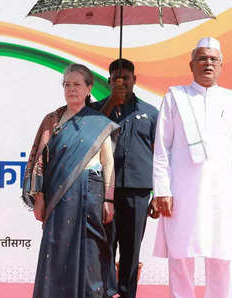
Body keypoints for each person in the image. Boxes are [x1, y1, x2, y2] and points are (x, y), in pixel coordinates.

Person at [152, 37, 232, 298]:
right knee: (181, 256)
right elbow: (162, 148)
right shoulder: (175, 97)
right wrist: (162, 190)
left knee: (221, 256)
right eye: (202, 58)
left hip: (222, 193)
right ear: (191, 64)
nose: (207, 63)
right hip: (182, 193)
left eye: (213, 59)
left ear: (221, 65)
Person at [23, 63, 119, 297]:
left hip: (90, 194)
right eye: (67, 84)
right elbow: (39, 162)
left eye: (77, 84)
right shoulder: (52, 121)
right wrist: (39, 197)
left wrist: (109, 198)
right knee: (56, 249)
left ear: (89, 89)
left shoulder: (99, 123)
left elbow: (108, 163)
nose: (71, 89)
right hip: (57, 197)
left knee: (90, 249)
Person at [92, 58, 158, 298]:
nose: (121, 82)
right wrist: (112, 103)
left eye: (126, 78)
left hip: (138, 191)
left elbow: (161, 155)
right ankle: (106, 293)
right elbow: (90, 134)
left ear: (135, 80)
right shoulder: (98, 110)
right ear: (109, 81)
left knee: (131, 249)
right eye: (116, 79)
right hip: (104, 191)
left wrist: (158, 194)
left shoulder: (150, 113)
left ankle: (127, 293)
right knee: (104, 247)